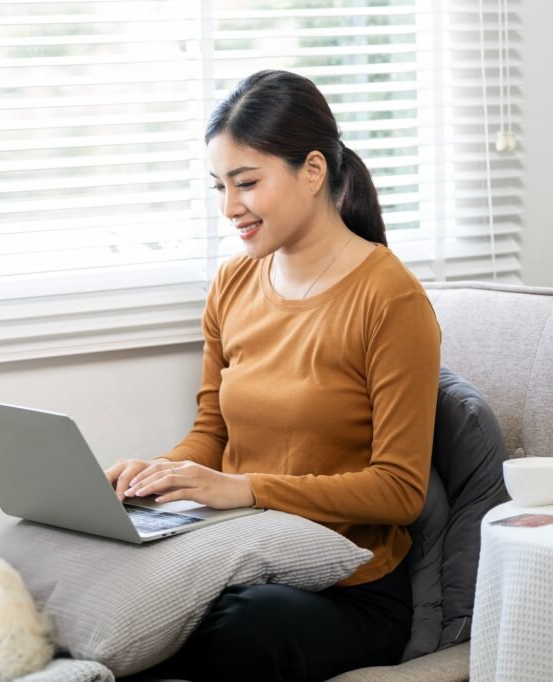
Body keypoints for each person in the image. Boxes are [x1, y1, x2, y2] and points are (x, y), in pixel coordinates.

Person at [104, 70, 441, 682]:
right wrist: (159, 477)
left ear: (312, 172)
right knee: (118, 588)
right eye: (219, 187)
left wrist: (248, 489)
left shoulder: (390, 299)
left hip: (347, 586)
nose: (230, 208)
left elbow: (399, 489)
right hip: (237, 552)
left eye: (247, 183)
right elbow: (211, 432)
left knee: (238, 625)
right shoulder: (232, 284)